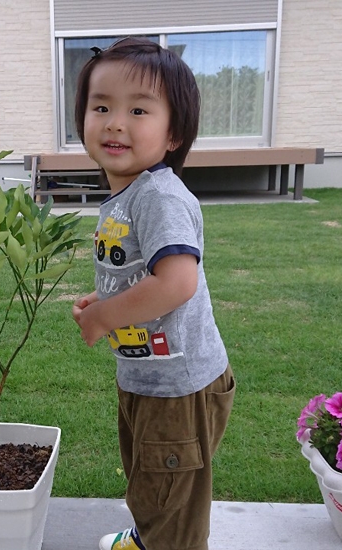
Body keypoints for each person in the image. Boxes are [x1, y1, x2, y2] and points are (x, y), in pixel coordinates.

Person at [71, 37, 235, 550]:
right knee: (151, 483)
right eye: (102, 107)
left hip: (178, 388)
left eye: (138, 110)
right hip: (150, 374)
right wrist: (106, 301)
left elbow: (177, 282)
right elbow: (144, 274)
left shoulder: (159, 195)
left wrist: (104, 319)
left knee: (171, 499)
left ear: (173, 134)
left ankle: (162, 541)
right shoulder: (129, 192)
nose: (115, 122)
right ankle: (149, 537)